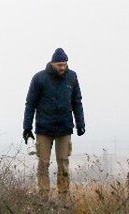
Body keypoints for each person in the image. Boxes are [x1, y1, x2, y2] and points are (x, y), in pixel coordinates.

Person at [23, 48, 85, 198]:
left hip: (64, 127)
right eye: (59, 65)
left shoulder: (72, 77)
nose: (62, 68)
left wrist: (80, 122)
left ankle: (63, 197)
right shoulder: (39, 78)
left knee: (63, 163)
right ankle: (43, 197)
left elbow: (77, 101)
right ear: (52, 64)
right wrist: (27, 128)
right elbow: (30, 104)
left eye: (64, 64)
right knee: (43, 163)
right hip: (44, 128)